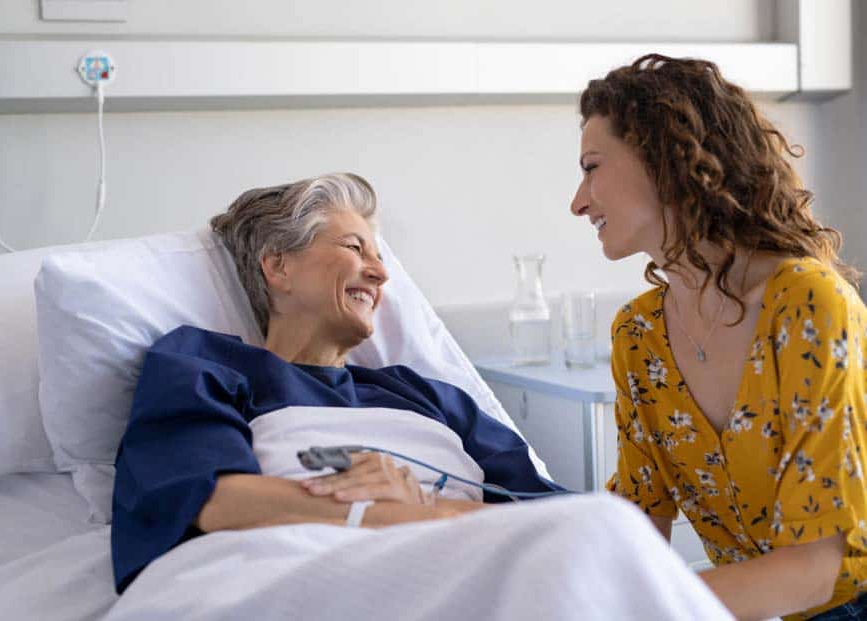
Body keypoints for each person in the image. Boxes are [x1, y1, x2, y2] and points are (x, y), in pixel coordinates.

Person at [109, 173, 562, 595]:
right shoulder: (205, 364)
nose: (381, 273)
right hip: (320, 574)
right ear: (278, 268)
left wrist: (426, 509)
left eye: (380, 258)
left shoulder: (427, 396)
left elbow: (555, 516)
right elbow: (210, 500)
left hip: (480, 572)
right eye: (355, 248)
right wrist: (392, 516)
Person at [570, 53, 867, 620]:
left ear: (663, 159)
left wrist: (632, 608)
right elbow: (639, 522)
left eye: (591, 166)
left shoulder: (807, 304)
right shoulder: (639, 336)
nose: (579, 202)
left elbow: (813, 573)